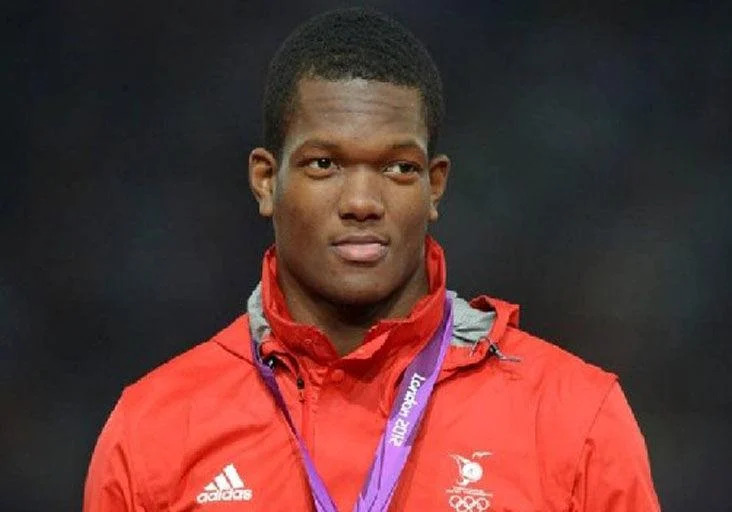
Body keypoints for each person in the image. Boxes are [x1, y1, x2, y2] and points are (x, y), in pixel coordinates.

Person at [84, 7, 660, 511]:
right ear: (265, 181)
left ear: (434, 188)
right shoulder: (156, 428)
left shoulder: (574, 419)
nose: (362, 203)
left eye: (398, 168)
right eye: (324, 164)